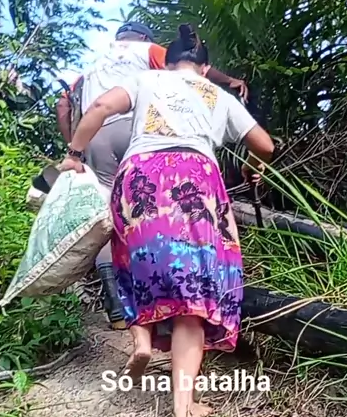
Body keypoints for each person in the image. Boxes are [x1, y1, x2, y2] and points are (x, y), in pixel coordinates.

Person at [58, 24, 274, 417]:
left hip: (139, 174)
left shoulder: (146, 79)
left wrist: (74, 154)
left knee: (133, 262)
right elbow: (265, 144)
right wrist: (252, 167)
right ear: (204, 68)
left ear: (168, 62)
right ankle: (184, 406)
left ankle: (141, 341)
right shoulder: (217, 94)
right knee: (194, 290)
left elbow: (99, 107)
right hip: (194, 179)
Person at [55, 21, 249, 326]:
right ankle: (174, 303)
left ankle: (119, 307)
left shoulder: (94, 66)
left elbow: (63, 105)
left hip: (96, 134)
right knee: (162, 211)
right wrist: (229, 81)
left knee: (113, 218)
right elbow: (192, 72)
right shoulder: (150, 51)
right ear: (145, 37)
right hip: (139, 131)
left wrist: (74, 149)